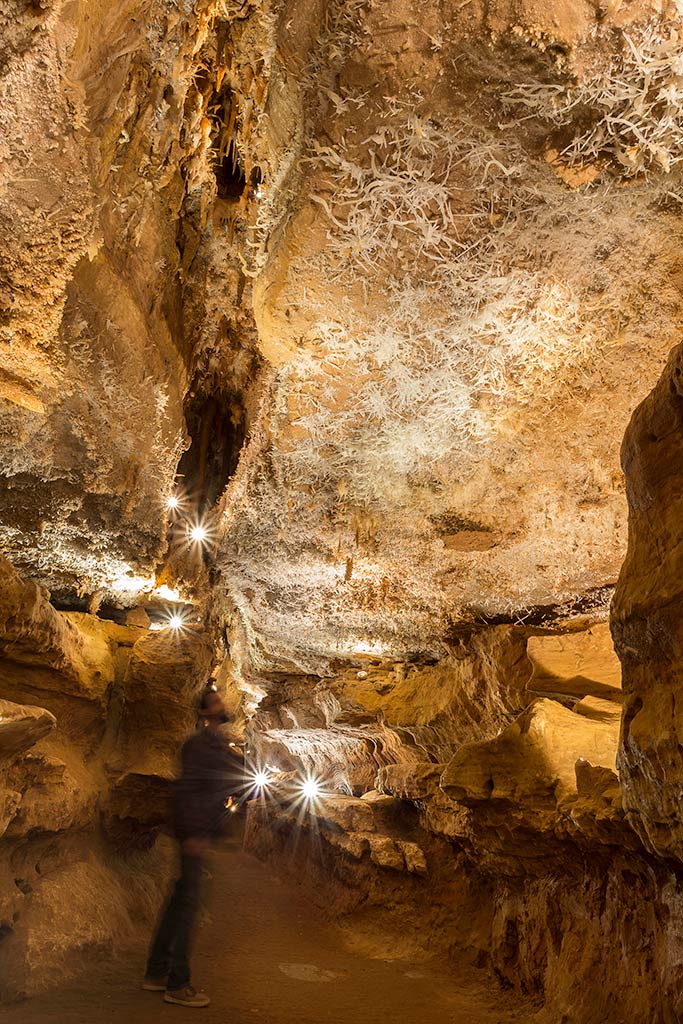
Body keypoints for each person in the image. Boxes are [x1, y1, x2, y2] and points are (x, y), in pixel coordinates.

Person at [142, 686, 244, 1008]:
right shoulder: (200, 744)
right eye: (214, 701)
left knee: (180, 903)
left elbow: (224, 783)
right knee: (189, 908)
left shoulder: (215, 745)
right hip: (193, 837)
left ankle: (156, 972)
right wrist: (195, 835)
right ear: (203, 712)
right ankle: (178, 984)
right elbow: (189, 791)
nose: (221, 703)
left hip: (195, 833)